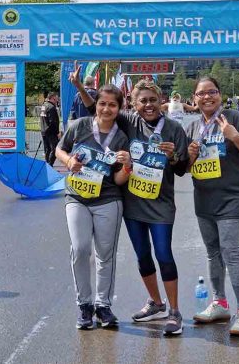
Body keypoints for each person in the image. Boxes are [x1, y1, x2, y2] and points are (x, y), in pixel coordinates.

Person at [71, 67, 190, 337]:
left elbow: (182, 169)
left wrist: (173, 157)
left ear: (161, 101)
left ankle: (174, 311)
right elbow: (99, 109)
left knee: (163, 254)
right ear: (134, 104)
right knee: (143, 256)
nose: (148, 105)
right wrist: (79, 86)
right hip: (132, 203)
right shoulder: (129, 121)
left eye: (152, 100)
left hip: (160, 203)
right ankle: (156, 303)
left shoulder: (174, 128)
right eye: (142, 101)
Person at [186, 76, 239, 336]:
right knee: (212, 252)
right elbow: (184, 168)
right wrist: (189, 156)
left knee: (231, 251)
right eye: (201, 94)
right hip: (204, 198)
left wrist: (234, 136)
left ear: (220, 94)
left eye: (212, 92)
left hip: (232, 196)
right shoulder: (192, 126)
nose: (207, 97)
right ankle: (219, 303)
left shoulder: (234, 118)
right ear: (194, 98)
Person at [55, 84, 132, 330]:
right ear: (95, 104)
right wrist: (68, 161)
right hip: (77, 196)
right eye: (102, 103)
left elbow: (119, 179)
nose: (106, 108)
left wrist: (127, 166)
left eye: (112, 104)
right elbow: (59, 149)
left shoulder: (121, 136)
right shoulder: (79, 126)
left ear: (119, 108)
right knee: (80, 249)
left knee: (105, 254)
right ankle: (84, 305)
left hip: (108, 198)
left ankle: (103, 305)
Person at [40, 92, 60, 166]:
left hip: (44, 131)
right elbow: (53, 122)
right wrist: (57, 132)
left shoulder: (44, 105)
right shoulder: (51, 107)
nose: (57, 100)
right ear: (53, 98)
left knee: (47, 149)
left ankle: (47, 165)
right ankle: (50, 165)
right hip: (50, 132)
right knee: (54, 149)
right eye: (56, 98)